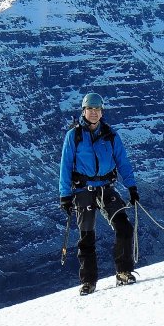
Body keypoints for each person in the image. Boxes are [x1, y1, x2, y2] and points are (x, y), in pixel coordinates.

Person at [59, 92, 139, 296]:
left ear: (102, 112)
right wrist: (65, 195)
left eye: (97, 110)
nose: (94, 113)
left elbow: (123, 161)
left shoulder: (111, 135)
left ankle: (123, 271)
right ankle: (88, 281)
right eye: (90, 110)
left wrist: (132, 187)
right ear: (83, 111)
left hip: (105, 187)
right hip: (83, 190)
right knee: (87, 236)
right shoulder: (74, 136)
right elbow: (66, 166)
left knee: (124, 226)